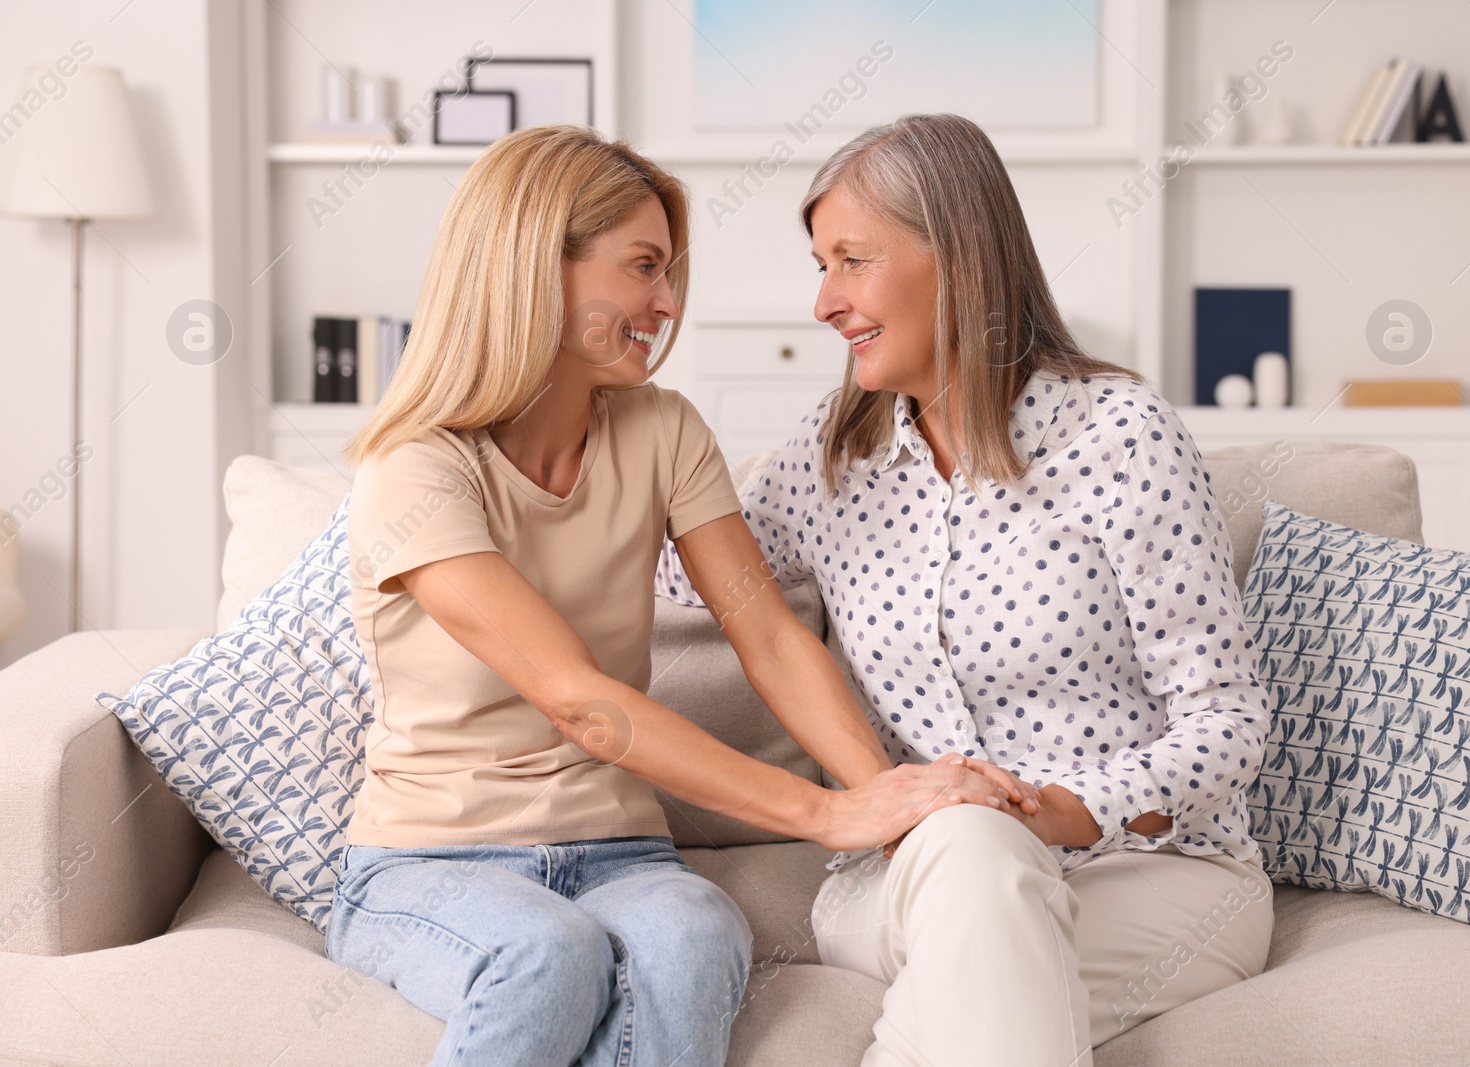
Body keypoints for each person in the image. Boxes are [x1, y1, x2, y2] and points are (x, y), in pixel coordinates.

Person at [325, 124, 1029, 1067]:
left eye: (669, 273)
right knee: (547, 952)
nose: (666, 303)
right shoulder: (414, 471)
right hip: (429, 863)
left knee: (697, 935)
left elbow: (768, 635)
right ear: (539, 266)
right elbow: (580, 700)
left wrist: (885, 798)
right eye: (643, 268)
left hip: (620, 852)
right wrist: (821, 813)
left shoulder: (664, 432)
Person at [656, 114, 1277, 1066]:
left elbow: (1227, 717)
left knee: (977, 961)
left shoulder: (1118, 434)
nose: (825, 301)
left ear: (960, 258)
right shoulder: (834, 456)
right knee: (973, 854)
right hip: (906, 877)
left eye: (852, 260)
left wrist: (1073, 807)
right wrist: (610, 424)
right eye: (821, 264)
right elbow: (687, 573)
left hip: (1153, 875)